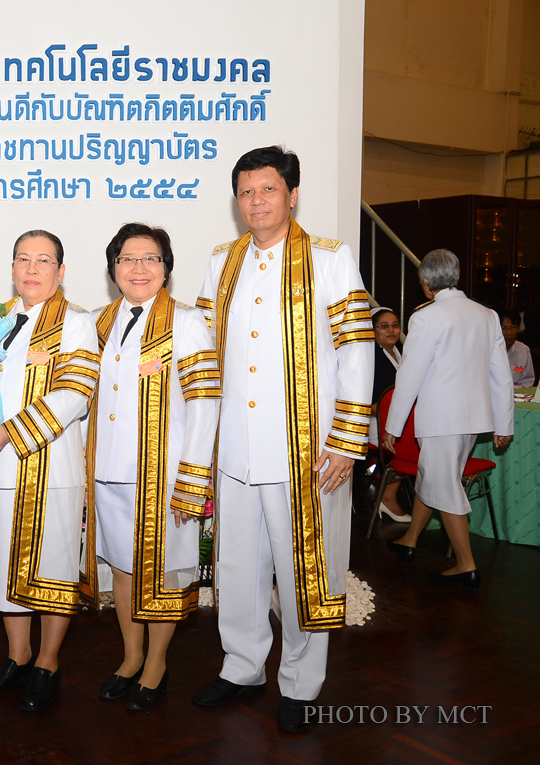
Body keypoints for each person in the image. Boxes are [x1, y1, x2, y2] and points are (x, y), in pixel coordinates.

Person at [193, 145, 374, 734]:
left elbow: (356, 349)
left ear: (292, 195)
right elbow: (204, 353)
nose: (256, 202)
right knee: (237, 567)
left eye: (268, 189)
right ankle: (242, 666)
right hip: (236, 449)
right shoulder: (222, 261)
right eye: (246, 192)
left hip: (307, 451)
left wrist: (346, 439)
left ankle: (300, 682)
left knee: (304, 572)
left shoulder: (329, 258)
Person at [88, 223, 219, 711]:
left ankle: (157, 663)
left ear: (166, 268)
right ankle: (130, 657)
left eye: (151, 258)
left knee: (164, 571)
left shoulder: (187, 323)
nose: (138, 268)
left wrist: (192, 477)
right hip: (109, 471)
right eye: (127, 258)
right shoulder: (98, 322)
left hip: (163, 476)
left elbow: (205, 403)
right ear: (113, 269)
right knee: (123, 566)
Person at [0, 229, 98, 712]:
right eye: (23, 259)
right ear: (11, 268)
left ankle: (48, 662)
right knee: (3, 564)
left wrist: (11, 431)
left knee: (53, 567)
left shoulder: (77, 323)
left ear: (60, 271)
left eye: (44, 260)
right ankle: (18, 655)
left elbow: (74, 394)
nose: (32, 268)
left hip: (50, 466)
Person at [383, 249, 514, 589]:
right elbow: (501, 375)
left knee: (444, 484)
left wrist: (393, 427)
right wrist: (504, 424)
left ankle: (466, 565)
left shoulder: (426, 317)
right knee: (435, 476)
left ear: (426, 284)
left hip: (441, 421)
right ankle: (410, 540)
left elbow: (409, 377)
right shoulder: (487, 315)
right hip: (473, 421)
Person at [370, 307, 409, 521]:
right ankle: (388, 498)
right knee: (412, 442)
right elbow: (369, 404)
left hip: (398, 420)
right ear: (372, 330)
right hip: (376, 422)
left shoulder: (401, 351)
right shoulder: (371, 358)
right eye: (384, 326)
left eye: (395, 325)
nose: (391, 330)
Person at [499, 309, 535, 388]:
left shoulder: (524, 350)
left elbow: (527, 381)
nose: (509, 333)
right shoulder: (487, 350)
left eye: (513, 327)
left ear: (519, 328)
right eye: (503, 328)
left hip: (517, 394)